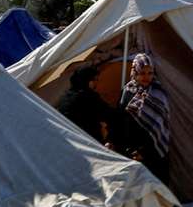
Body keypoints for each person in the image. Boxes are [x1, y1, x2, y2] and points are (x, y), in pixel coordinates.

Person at [119, 52, 171, 183]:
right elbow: (121, 119)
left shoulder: (158, 93)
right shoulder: (127, 91)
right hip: (132, 148)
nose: (146, 77)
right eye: (142, 73)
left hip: (154, 149)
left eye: (150, 73)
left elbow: (161, 124)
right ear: (135, 73)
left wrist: (144, 151)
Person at [55, 65, 115, 143]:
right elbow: (108, 114)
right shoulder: (88, 96)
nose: (96, 83)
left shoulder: (66, 96)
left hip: (66, 138)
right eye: (95, 80)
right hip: (85, 140)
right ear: (88, 81)